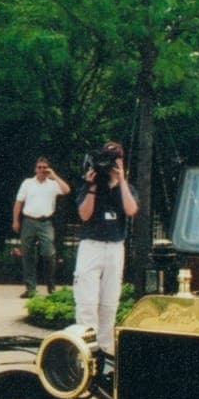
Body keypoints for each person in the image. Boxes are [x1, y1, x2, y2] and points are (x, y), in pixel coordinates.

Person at [73, 141, 138, 356]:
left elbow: (131, 210)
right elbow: (84, 215)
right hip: (92, 245)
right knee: (87, 301)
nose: (110, 165)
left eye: (115, 160)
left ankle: (105, 346)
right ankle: (86, 346)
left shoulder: (126, 188)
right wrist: (91, 187)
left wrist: (122, 182)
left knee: (110, 301)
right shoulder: (91, 184)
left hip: (115, 247)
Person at [12, 156, 71, 297]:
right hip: (29, 221)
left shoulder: (52, 184)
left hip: (46, 222)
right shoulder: (27, 183)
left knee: (48, 253)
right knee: (28, 255)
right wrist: (15, 220)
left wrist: (54, 175)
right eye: (39, 167)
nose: (42, 170)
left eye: (45, 167)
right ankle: (30, 288)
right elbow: (18, 202)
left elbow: (67, 190)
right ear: (35, 168)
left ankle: (50, 284)